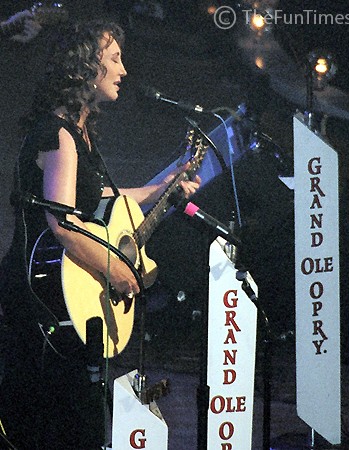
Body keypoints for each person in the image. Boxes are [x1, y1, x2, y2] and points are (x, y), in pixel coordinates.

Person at [0, 19, 200, 449]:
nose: (123, 70)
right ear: (84, 67)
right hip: (40, 307)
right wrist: (116, 269)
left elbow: (116, 202)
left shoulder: (82, 136)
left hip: (63, 304)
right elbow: (63, 223)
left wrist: (170, 184)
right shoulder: (57, 134)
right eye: (113, 59)